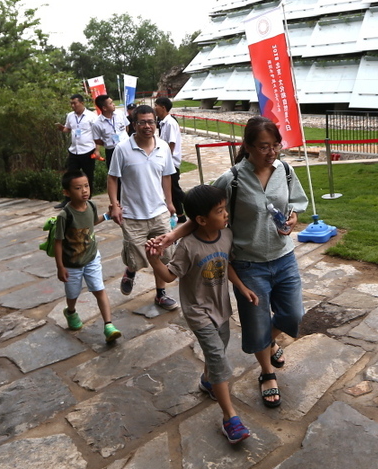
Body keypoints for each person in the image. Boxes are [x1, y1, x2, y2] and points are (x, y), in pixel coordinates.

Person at [150, 116, 307, 408]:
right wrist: (172, 236)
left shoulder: (285, 170)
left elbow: (296, 202)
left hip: (284, 257)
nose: (271, 152)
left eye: (275, 145)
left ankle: (270, 340)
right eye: (264, 147)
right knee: (257, 323)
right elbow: (204, 213)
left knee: (293, 315)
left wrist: (294, 216)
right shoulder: (232, 179)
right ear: (247, 146)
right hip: (248, 264)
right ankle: (267, 372)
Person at [147, 184, 258, 443]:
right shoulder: (187, 246)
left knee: (219, 349)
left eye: (224, 209)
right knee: (218, 357)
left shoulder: (226, 235)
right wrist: (154, 260)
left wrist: (242, 287)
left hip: (221, 307)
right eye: (220, 211)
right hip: (198, 312)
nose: (226, 214)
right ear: (201, 220)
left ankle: (208, 381)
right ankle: (230, 418)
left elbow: (226, 264)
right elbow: (170, 276)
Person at [107, 104, 179, 310]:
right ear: (134, 124)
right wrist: (115, 205)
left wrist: (169, 203)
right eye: (142, 122)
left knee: (162, 255)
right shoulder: (122, 149)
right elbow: (112, 178)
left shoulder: (163, 147)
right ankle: (131, 270)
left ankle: (160, 294)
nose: (147, 126)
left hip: (159, 212)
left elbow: (166, 177)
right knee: (135, 256)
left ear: (156, 123)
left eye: (151, 122)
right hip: (132, 214)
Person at [54, 169, 122, 344]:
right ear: (67, 192)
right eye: (78, 188)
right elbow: (58, 242)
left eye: (86, 186)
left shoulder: (91, 205)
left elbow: (91, 222)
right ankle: (70, 311)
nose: (84, 190)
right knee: (73, 294)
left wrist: (106, 216)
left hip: (91, 258)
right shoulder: (65, 216)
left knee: (99, 289)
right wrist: (60, 267)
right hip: (72, 264)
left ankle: (108, 326)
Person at [55, 93, 98, 209]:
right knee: (70, 176)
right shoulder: (70, 116)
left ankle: (87, 200)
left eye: (75, 103)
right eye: (71, 104)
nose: (73, 106)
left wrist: (97, 150)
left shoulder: (91, 116)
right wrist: (61, 128)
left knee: (88, 176)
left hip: (88, 150)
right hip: (74, 150)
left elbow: (97, 134)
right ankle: (68, 200)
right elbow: (68, 129)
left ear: (82, 103)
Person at [154, 96, 186, 223]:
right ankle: (180, 215)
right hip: (168, 160)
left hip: (171, 161)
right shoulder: (163, 122)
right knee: (172, 189)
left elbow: (171, 144)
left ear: (163, 107)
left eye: (156, 105)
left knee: (175, 189)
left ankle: (196, 204)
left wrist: (165, 160)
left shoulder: (170, 123)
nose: (154, 108)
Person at [92, 94, 130, 170]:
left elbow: (126, 127)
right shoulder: (97, 123)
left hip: (127, 147)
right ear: (104, 108)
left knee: (130, 169)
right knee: (115, 172)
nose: (114, 104)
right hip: (112, 151)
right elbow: (97, 139)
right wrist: (108, 143)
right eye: (111, 103)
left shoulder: (120, 113)